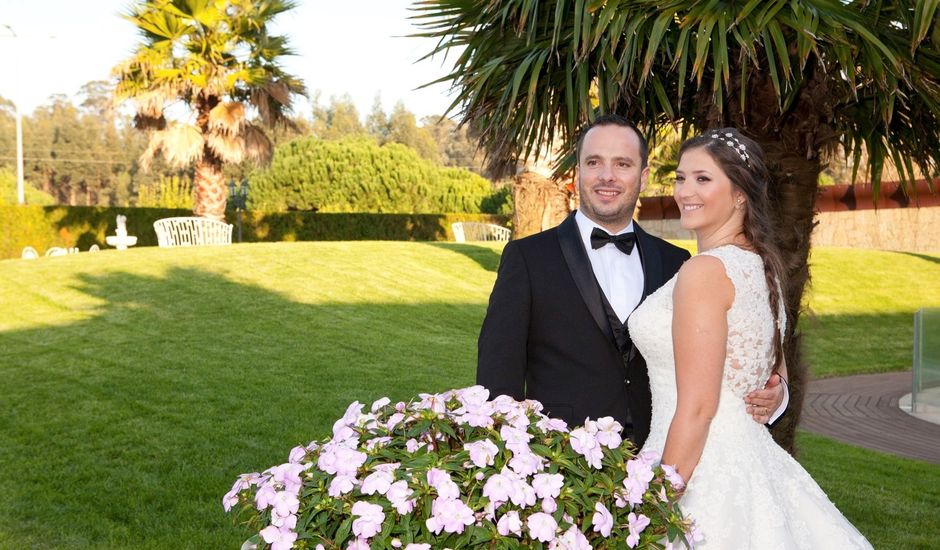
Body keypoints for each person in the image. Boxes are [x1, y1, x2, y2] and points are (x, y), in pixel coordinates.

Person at [476, 115, 787, 447]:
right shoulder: (528, 258)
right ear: (578, 171)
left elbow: (733, 350)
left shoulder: (677, 263)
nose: (606, 176)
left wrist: (778, 391)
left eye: (622, 164)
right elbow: (498, 376)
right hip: (560, 465)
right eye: (594, 162)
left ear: (644, 176)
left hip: (659, 453)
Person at [630, 129, 872, 547]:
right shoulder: (762, 266)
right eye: (681, 177)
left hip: (699, 465)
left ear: (740, 193)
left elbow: (700, 408)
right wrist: (777, 393)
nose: (685, 191)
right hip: (750, 459)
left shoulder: (704, 272)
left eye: (703, 179)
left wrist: (656, 503)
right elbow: (768, 370)